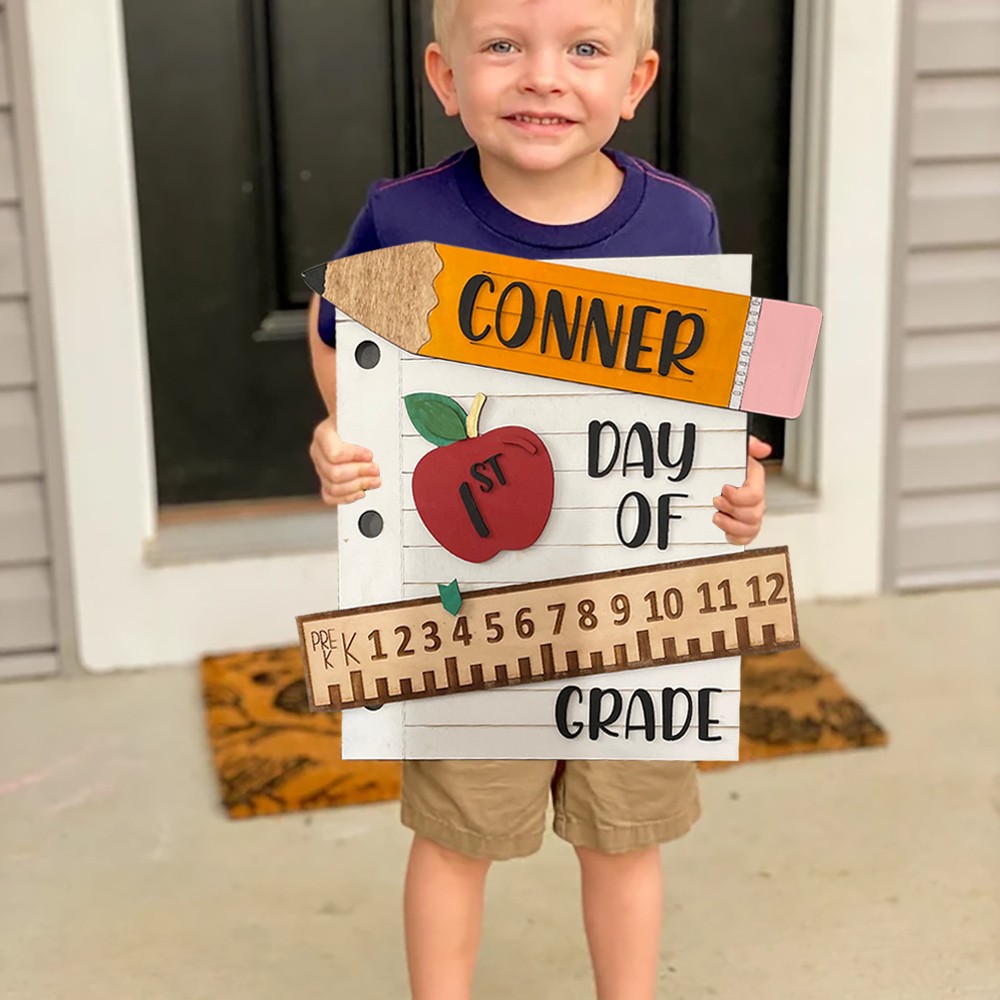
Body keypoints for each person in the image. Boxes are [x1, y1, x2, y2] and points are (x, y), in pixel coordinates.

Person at [307, 1, 770, 996]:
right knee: (455, 832)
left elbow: (715, 393)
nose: (543, 77)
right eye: (503, 47)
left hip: (634, 608)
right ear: (446, 76)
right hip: (465, 613)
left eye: (585, 49)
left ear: (636, 82)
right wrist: (344, 427)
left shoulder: (681, 223)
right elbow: (338, 326)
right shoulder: (407, 218)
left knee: (625, 835)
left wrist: (738, 479)